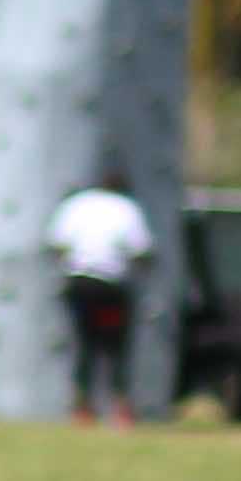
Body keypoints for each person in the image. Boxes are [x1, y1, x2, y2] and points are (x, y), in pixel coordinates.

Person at [51, 161, 157, 426]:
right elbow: (141, 251)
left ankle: (82, 408)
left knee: (83, 344)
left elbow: (57, 244)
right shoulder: (126, 208)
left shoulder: (77, 204)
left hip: (79, 284)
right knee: (114, 346)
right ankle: (120, 408)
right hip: (109, 287)